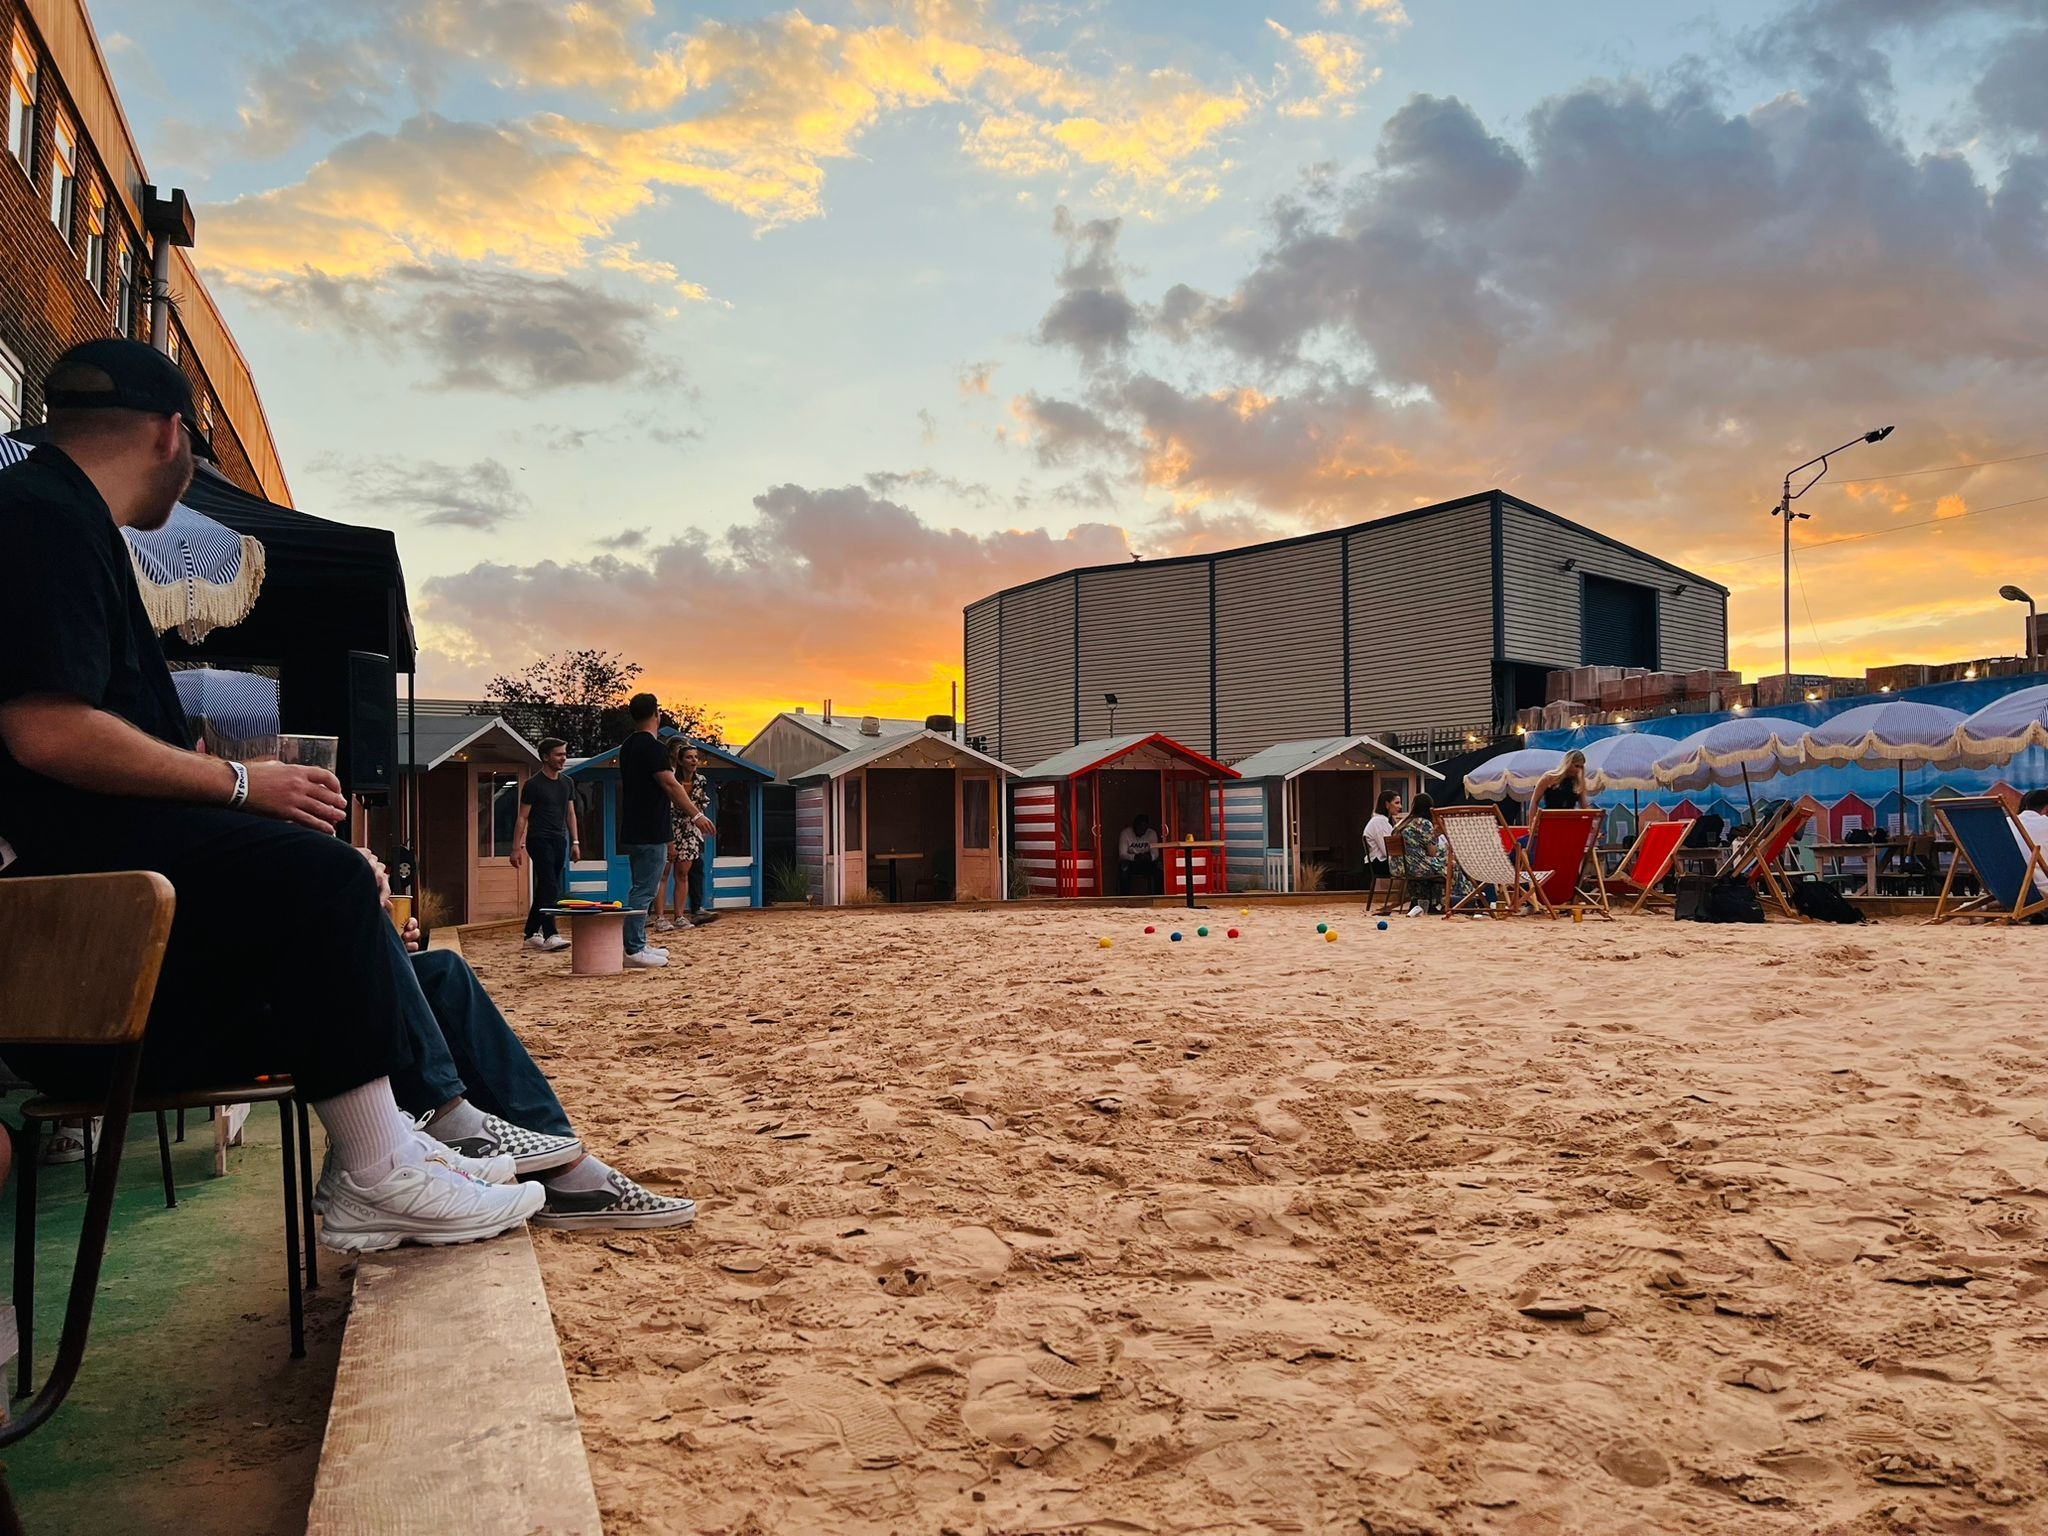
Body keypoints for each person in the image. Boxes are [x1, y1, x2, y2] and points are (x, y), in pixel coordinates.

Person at [0, 340, 541, 1251]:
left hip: (112, 922)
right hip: (89, 949)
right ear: (174, 435)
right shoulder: (42, 519)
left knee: (360, 912)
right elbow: (47, 731)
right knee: (328, 883)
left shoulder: (57, 517)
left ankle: (424, 1143)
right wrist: (247, 785)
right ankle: (381, 1167)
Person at [617, 695, 715, 967]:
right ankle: (633, 949)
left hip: (637, 826)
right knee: (644, 890)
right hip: (649, 828)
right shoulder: (653, 748)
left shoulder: (627, 746)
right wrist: (696, 815)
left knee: (643, 886)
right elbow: (671, 786)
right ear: (656, 714)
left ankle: (639, 944)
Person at [513, 736, 578, 952]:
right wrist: (516, 847)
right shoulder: (533, 785)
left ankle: (531, 933)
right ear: (545, 757)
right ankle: (551, 933)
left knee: (545, 888)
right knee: (550, 884)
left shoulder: (567, 782)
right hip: (538, 839)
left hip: (560, 839)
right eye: (559, 754)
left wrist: (575, 841)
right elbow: (522, 817)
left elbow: (570, 812)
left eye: (564, 754)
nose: (563, 758)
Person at [657, 741, 719, 931]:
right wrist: (670, 840)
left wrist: (701, 826)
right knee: (664, 873)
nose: (694, 761)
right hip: (669, 828)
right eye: (689, 757)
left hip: (691, 828)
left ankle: (680, 916)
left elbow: (701, 804)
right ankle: (659, 917)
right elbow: (665, 808)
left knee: (683, 873)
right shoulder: (670, 779)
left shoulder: (701, 780)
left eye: (695, 757)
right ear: (680, 760)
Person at [2013, 788, 2048, 899]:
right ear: (2047, 809)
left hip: (2007, 888)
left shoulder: (2006, 823)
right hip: (2040, 889)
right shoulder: (2045, 823)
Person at [1364, 789, 1402, 881]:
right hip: (1378, 863)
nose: (1400, 806)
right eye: (1396, 803)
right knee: (1415, 866)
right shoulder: (1379, 822)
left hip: (1379, 862)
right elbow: (1388, 851)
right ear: (1387, 804)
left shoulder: (1382, 821)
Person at [1118, 813, 1159, 896]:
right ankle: (1124, 897)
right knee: (1124, 869)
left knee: (1160, 869)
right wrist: (1135, 857)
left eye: (1143, 828)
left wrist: (1149, 857)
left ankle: (1158, 895)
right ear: (1134, 826)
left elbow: (1155, 853)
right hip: (1132, 861)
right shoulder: (1125, 833)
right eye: (1139, 827)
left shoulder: (1151, 833)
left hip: (1146, 861)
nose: (1141, 830)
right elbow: (1122, 854)